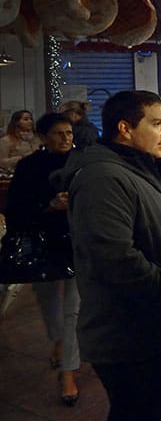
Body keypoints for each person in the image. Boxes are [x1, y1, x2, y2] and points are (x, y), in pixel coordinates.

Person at [61, 90, 161, 421]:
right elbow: (113, 257)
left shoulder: (139, 166)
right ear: (125, 128)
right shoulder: (103, 177)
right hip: (134, 335)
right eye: (157, 124)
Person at [5, 113, 80, 406]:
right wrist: (49, 205)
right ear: (43, 136)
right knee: (49, 299)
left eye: (69, 133)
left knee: (74, 308)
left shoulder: (82, 163)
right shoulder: (30, 166)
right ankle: (58, 341)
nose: (66, 139)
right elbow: (17, 210)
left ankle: (69, 371)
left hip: (76, 240)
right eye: (59, 133)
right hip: (43, 242)